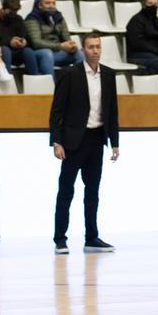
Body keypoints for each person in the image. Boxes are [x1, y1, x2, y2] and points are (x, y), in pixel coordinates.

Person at [50, 32, 119, 254]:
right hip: (72, 141)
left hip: (97, 139)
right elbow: (56, 111)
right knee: (66, 191)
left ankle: (92, 237)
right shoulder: (70, 74)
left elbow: (112, 111)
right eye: (90, 47)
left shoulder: (109, 74)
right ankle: (60, 238)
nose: (95, 50)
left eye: (98, 46)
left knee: (92, 192)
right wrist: (56, 141)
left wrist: (115, 142)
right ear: (83, 50)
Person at [25, 0, 84, 75]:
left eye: (53, 3)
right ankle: (52, 86)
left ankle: (79, 84)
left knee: (79, 53)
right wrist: (59, 46)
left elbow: (66, 37)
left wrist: (71, 45)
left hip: (57, 52)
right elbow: (36, 42)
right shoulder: (32, 18)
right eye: (48, 3)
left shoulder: (58, 17)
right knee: (47, 54)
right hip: (39, 53)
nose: (51, 6)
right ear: (40, 5)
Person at [0, 0, 40, 75]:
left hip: (17, 53)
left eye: (15, 12)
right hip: (0, 54)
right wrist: (9, 42)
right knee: (5, 50)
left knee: (28, 51)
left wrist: (24, 42)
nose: (13, 15)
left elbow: (28, 39)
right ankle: (7, 79)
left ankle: (35, 79)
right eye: (10, 12)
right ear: (3, 8)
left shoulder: (18, 18)